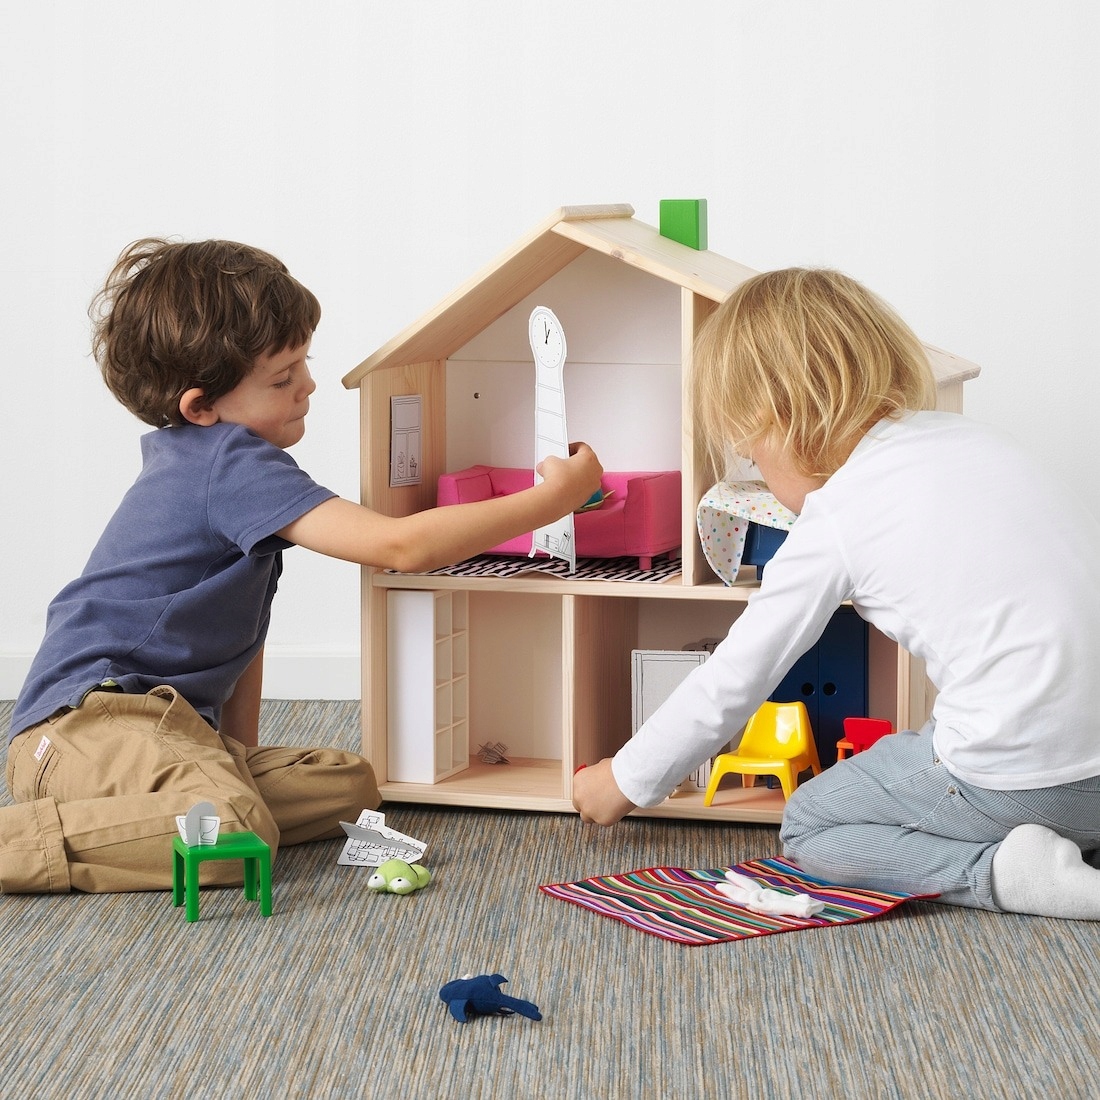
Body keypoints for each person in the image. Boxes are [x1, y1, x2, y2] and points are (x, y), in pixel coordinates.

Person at [4, 237, 602, 895]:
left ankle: (181, 808)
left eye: (303, 364)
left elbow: (241, 638)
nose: (308, 386)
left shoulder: (218, 463)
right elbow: (401, 547)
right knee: (234, 835)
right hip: (89, 724)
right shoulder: (228, 464)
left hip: (162, 729)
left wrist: (240, 754)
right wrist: (554, 499)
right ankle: (27, 842)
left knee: (350, 784)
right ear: (201, 407)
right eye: (282, 378)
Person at [573, 266, 1100, 920]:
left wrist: (622, 780)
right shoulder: (977, 440)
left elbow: (734, 678)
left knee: (813, 821)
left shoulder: (840, 513)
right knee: (926, 740)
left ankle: (1003, 874)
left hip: (1020, 785)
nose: (760, 477)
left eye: (753, 456)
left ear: (780, 420)